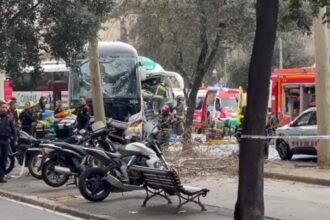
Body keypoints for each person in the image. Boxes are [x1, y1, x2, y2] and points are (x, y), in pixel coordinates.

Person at [0, 101, 17, 183]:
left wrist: (15, 139)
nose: (4, 109)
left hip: (6, 141)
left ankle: (2, 176)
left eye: (5, 107)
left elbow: (13, 129)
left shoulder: (9, 117)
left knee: (4, 159)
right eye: (2, 107)